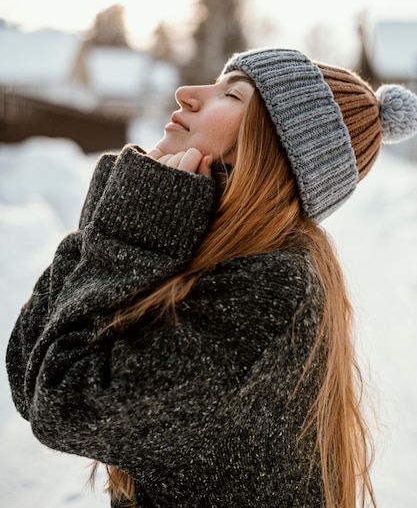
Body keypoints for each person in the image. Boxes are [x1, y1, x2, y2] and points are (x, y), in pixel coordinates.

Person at [6, 48, 417, 508]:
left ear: (275, 145)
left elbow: (63, 404)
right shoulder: (198, 239)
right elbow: (31, 375)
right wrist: (110, 224)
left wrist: (122, 240)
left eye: (232, 94)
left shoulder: (273, 287)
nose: (187, 93)